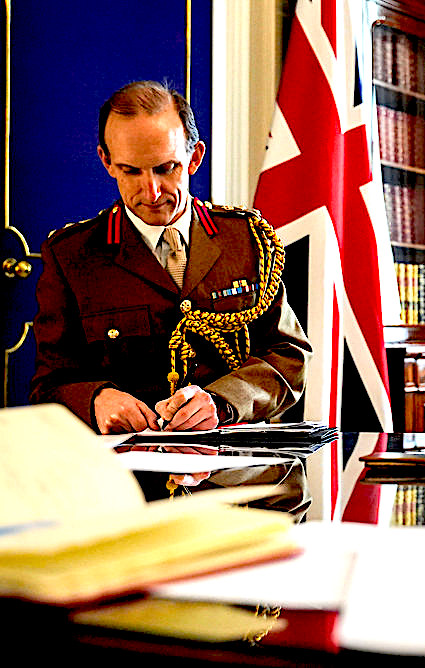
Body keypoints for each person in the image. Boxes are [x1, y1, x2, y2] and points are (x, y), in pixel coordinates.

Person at [31, 80, 312, 434]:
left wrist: (223, 401)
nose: (152, 192)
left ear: (194, 158)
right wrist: (96, 399)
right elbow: (49, 385)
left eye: (166, 168)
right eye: (131, 171)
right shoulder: (71, 256)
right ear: (107, 161)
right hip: (126, 461)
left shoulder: (246, 240)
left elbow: (288, 356)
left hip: (232, 455)